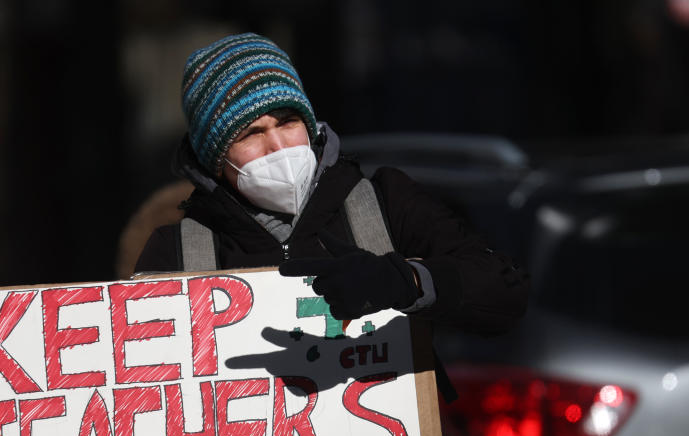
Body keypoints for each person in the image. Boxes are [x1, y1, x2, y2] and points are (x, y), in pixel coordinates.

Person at [134, 32, 528, 337]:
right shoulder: (178, 254)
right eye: (251, 133)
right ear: (214, 161)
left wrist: (408, 281)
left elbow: (505, 294)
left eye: (288, 122)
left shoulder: (386, 201)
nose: (277, 146)